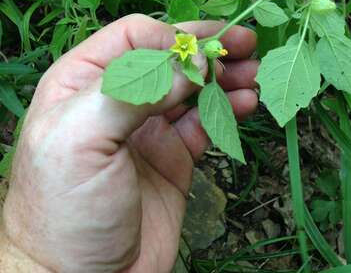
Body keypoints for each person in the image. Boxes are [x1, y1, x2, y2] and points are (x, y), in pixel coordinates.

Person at [0, 14, 259, 272]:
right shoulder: (184, 55)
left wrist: (31, 255)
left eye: (184, 47)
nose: (182, 48)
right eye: (182, 47)